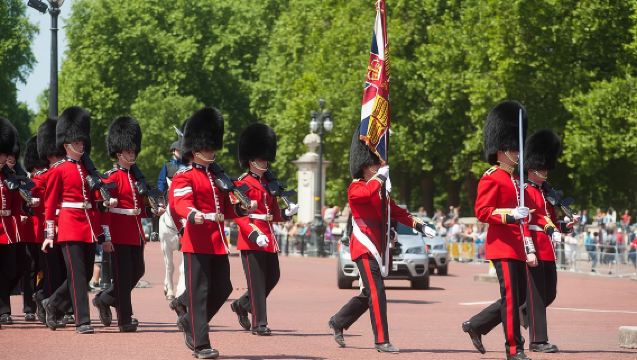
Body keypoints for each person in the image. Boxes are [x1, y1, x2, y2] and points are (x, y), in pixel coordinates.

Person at [327, 126, 436, 354]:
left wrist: (420, 225)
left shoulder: (380, 191)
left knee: (368, 292)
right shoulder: (356, 187)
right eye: (375, 164)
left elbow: (397, 212)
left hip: (378, 245)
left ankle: (338, 321)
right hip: (363, 245)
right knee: (377, 291)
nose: (379, 167)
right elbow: (365, 195)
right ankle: (381, 339)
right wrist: (380, 178)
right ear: (366, 167)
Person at [169, 107, 252, 359]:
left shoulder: (217, 177)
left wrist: (241, 206)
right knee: (200, 292)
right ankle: (200, 344)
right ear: (195, 150)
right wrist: (192, 214)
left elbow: (225, 207)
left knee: (223, 288)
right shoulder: (185, 176)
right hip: (196, 240)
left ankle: (190, 321)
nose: (212, 151)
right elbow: (180, 201)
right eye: (208, 148)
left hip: (217, 241)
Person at [462, 101, 535, 360]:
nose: (518, 153)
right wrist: (510, 214)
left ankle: (477, 325)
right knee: (512, 298)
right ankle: (514, 349)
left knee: (518, 298)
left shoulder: (516, 180)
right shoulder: (491, 177)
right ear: (501, 151)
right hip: (501, 247)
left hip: (517, 246)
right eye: (514, 149)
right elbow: (483, 212)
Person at [41, 106, 116, 334]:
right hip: (70, 225)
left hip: (88, 225)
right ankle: (82, 321)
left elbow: (92, 197)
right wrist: (49, 234)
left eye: (82, 142)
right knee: (78, 275)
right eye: (77, 143)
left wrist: (105, 198)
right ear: (66, 145)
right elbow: (50, 203)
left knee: (81, 276)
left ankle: (52, 303)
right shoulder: (58, 170)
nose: (81, 145)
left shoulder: (87, 170)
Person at [93, 116, 163, 332]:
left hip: (135, 232)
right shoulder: (109, 178)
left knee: (138, 271)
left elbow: (139, 206)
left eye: (134, 151)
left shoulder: (137, 179)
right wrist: (106, 236)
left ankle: (105, 298)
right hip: (118, 232)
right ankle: (125, 319)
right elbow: (103, 210)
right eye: (128, 151)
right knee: (122, 276)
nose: (132, 154)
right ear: (118, 152)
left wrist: (153, 210)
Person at [230, 123, 298, 336]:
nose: (265, 162)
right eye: (261, 158)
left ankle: (242, 305)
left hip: (267, 235)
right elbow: (238, 214)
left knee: (273, 276)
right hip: (252, 236)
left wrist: (286, 214)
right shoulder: (241, 183)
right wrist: (252, 233)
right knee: (257, 282)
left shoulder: (269, 183)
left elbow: (272, 211)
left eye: (265, 158)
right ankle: (259, 323)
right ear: (251, 160)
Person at [521, 129, 566, 353]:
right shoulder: (525, 191)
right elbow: (526, 222)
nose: (546, 171)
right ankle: (538, 341)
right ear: (531, 168)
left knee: (549, 294)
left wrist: (566, 226)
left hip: (547, 247)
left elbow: (551, 221)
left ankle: (480, 323)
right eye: (542, 167)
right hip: (534, 247)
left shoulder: (544, 191)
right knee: (537, 296)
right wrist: (528, 249)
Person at [32, 118, 72, 326]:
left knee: (66, 270)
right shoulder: (42, 176)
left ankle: (55, 303)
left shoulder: (65, 171)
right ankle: (48, 302)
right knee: (54, 270)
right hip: (49, 229)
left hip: (65, 225)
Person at [19, 136, 49, 322]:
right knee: (30, 269)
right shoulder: (25, 181)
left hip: (45, 230)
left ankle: (42, 299)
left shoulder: (46, 178)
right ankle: (29, 306)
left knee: (45, 268)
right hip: (30, 230)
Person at [0, 117, 23, 328]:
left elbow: (15, 203)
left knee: (11, 269)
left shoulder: (9, 176)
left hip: (7, 228)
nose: (4, 157)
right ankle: (4, 310)